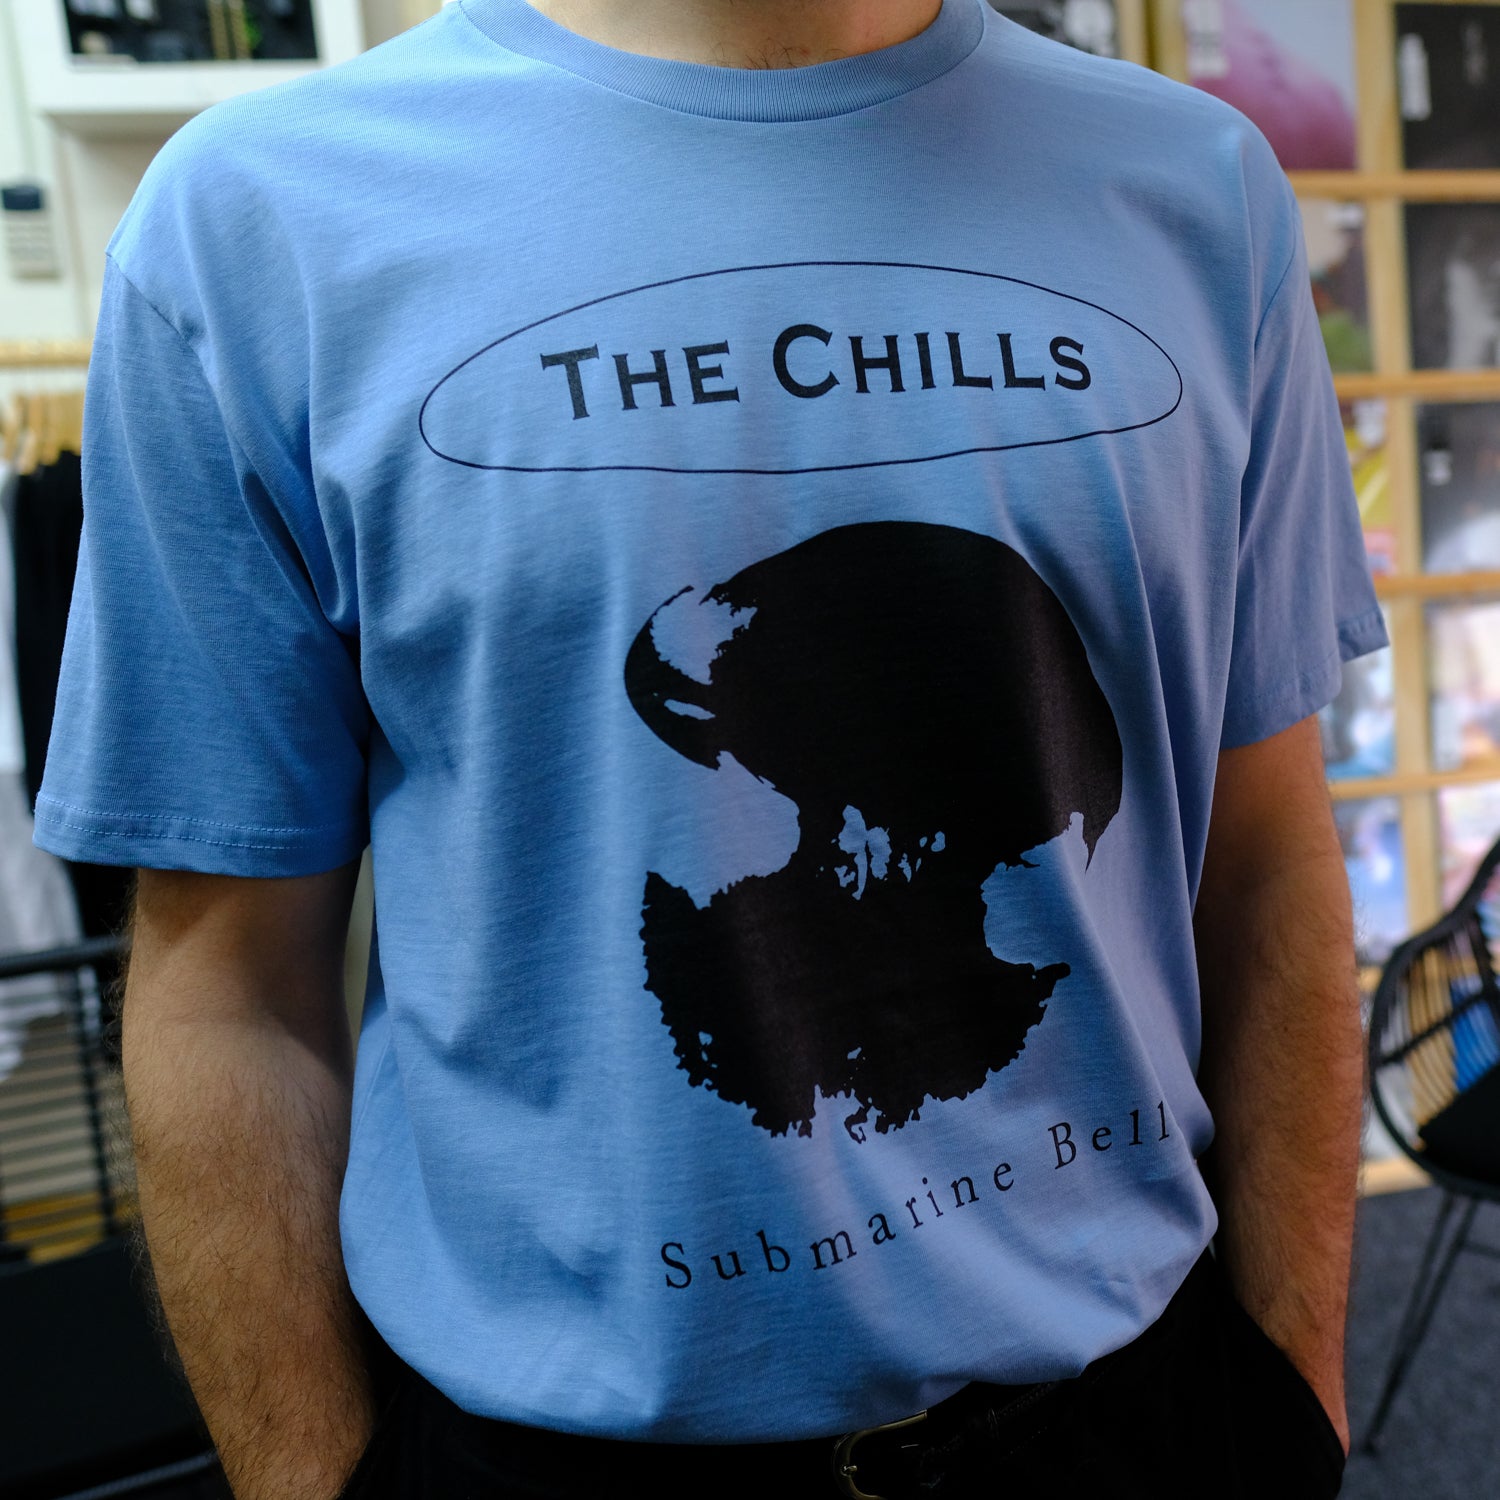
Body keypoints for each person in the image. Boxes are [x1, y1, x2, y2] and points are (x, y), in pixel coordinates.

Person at [36, 1, 1384, 1495]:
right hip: (548, 1458)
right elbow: (227, 978)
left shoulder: (1199, 192)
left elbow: (1265, 860)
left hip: (1140, 1415)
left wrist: (1295, 1401)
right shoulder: (256, 230)